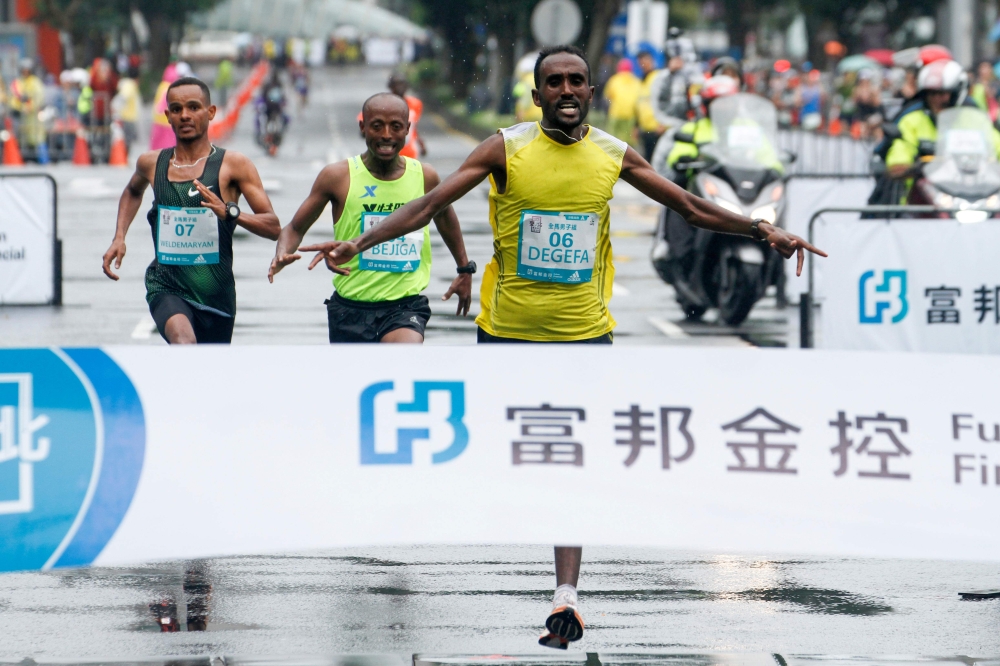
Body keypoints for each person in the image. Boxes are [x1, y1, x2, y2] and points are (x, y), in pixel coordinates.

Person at [295, 45, 825, 647]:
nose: (567, 90)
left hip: (583, 335)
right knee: (506, 455)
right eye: (555, 82)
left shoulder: (612, 154)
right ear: (538, 94)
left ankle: (566, 598)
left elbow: (691, 204)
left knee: (570, 463)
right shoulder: (505, 147)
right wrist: (357, 243)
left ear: (590, 92)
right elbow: (428, 206)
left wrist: (761, 227)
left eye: (577, 81)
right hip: (506, 329)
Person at [268, 92, 471, 342]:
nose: (386, 135)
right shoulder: (337, 176)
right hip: (350, 308)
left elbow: (446, 218)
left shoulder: (425, 176)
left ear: (408, 129)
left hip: (404, 307)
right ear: (363, 126)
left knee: (401, 360)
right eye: (377, 126)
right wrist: (283, 252)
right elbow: (295, 228)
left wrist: (464, 268)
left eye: (395, 127)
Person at [102, 77, 281, 344]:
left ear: (210, 113)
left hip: (215, 296)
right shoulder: (152, 163)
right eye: (176, 109)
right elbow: (132, 191)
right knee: (184, 343)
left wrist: (230, 212)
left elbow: (273, 226)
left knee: (208, 374)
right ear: (168, 116)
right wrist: (119, 236)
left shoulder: (233, 165)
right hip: (166, 286)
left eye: (194, 107)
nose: (185, 115)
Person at [9, 59, 46, 159]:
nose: (25, 72)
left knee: (37, 138)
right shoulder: (17, 82)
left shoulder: (35, 82)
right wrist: (20, 107)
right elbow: (13, 99)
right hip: (20, 116)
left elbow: (38, 97)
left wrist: (30, 106)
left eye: (27, 70)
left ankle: (43, 159)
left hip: (33, 116)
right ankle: (21, 159)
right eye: (23, 70)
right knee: (20, 139)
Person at [601, 58, 641, 144]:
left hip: (615, 113)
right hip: (630, 115)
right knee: (628, 141)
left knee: (612, 139)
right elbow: (639, 101)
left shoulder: (614, 80)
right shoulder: (636, 81)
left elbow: (607, 97)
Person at [635, 50, 664, 160]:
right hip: (645, 128)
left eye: (644, 61)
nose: (642, 65)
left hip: (656, 128)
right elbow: (639, 105)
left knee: (655, 160)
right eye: (640, 62)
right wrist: (636, 126)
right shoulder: (642, 80)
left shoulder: (658, 77)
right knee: (647, 159)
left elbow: (665, 100)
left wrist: (663, 124)